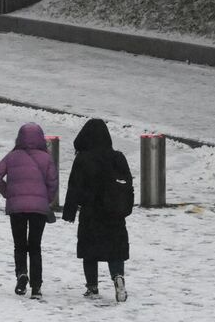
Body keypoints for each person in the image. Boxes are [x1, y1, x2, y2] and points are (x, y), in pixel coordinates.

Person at [62, 118, 133, 302]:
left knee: (89, 250)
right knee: (115, 249)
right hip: (114, 213)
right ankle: (118, 278)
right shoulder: (118, 157)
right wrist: (125, 208)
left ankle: (92, 287)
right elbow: (128, 185)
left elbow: (74, 187)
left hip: (91, 212)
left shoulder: (83, 159)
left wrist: (69, 211)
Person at [0, 122, 58, 298]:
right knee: (35, 247)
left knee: (19, 245)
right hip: (38, 210)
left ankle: (21, 274)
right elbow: (53, 183)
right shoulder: (46, 158)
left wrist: (9, 193)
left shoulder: (12, 157)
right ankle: (36, 288)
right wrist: (46, 199)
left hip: (17, 208)